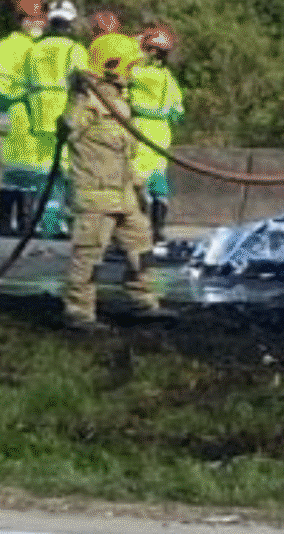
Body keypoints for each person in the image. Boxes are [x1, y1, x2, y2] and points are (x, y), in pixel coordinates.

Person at [57, 31, 175, 330]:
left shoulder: (119, 102)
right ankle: (79, 313)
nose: (134, 71)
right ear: (114, 65)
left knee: (141, 247)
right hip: (97, 195)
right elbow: (68, 125)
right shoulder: (88, 100)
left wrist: (138, 185)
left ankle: (144, 301)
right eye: (130, 65)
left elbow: (128, 149)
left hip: (124, 192)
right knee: (89, 256)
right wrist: (80, 91)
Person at [17, 0, 87, 237]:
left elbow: (26, 84)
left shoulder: (34, 49)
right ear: (70, 23)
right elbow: (82, 85)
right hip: (65, 117)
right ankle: (56, 224)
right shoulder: (74, 50)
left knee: (43, 172)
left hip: (39, 117)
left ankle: (39, 221)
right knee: (64, 174)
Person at [0, 0, 48, 236]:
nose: (37, 24)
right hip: (16, 111)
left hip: (25, 112)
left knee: (19, 170)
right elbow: (1, 85)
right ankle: (17, 222)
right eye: (31, 19)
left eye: (39, 18)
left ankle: (11, 223)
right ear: (21, 20)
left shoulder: (33, 46)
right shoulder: (12, 47)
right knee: (22, 169)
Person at [130, 22, 187, 245]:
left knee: (136, 181)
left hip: (140, 129)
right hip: (161, 133)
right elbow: (178, 111)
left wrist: (135, 42)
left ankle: (138, 229)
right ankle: (158, 230)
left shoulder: (138, 73)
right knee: (158, 183)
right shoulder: (168, 78)